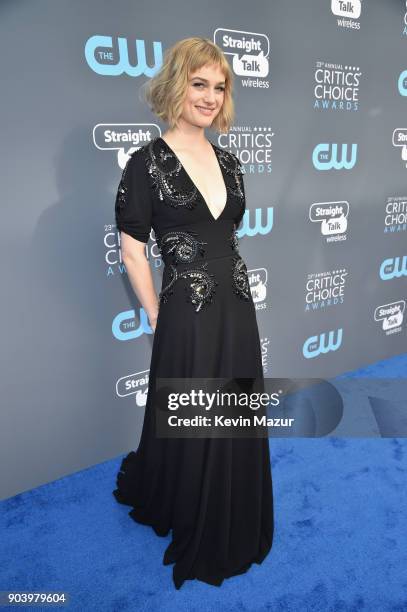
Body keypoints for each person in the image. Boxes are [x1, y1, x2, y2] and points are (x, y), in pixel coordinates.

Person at [112, 37, 274, 590]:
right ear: (176, 85)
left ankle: (233, 508)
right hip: (187, 310)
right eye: (199, 83)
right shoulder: (144, 162)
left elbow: (225, 235)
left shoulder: (228, 160)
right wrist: (158, 315)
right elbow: (133, 251)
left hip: (236, 303)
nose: (209, 96)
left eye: (219, 86)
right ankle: (189, 507)